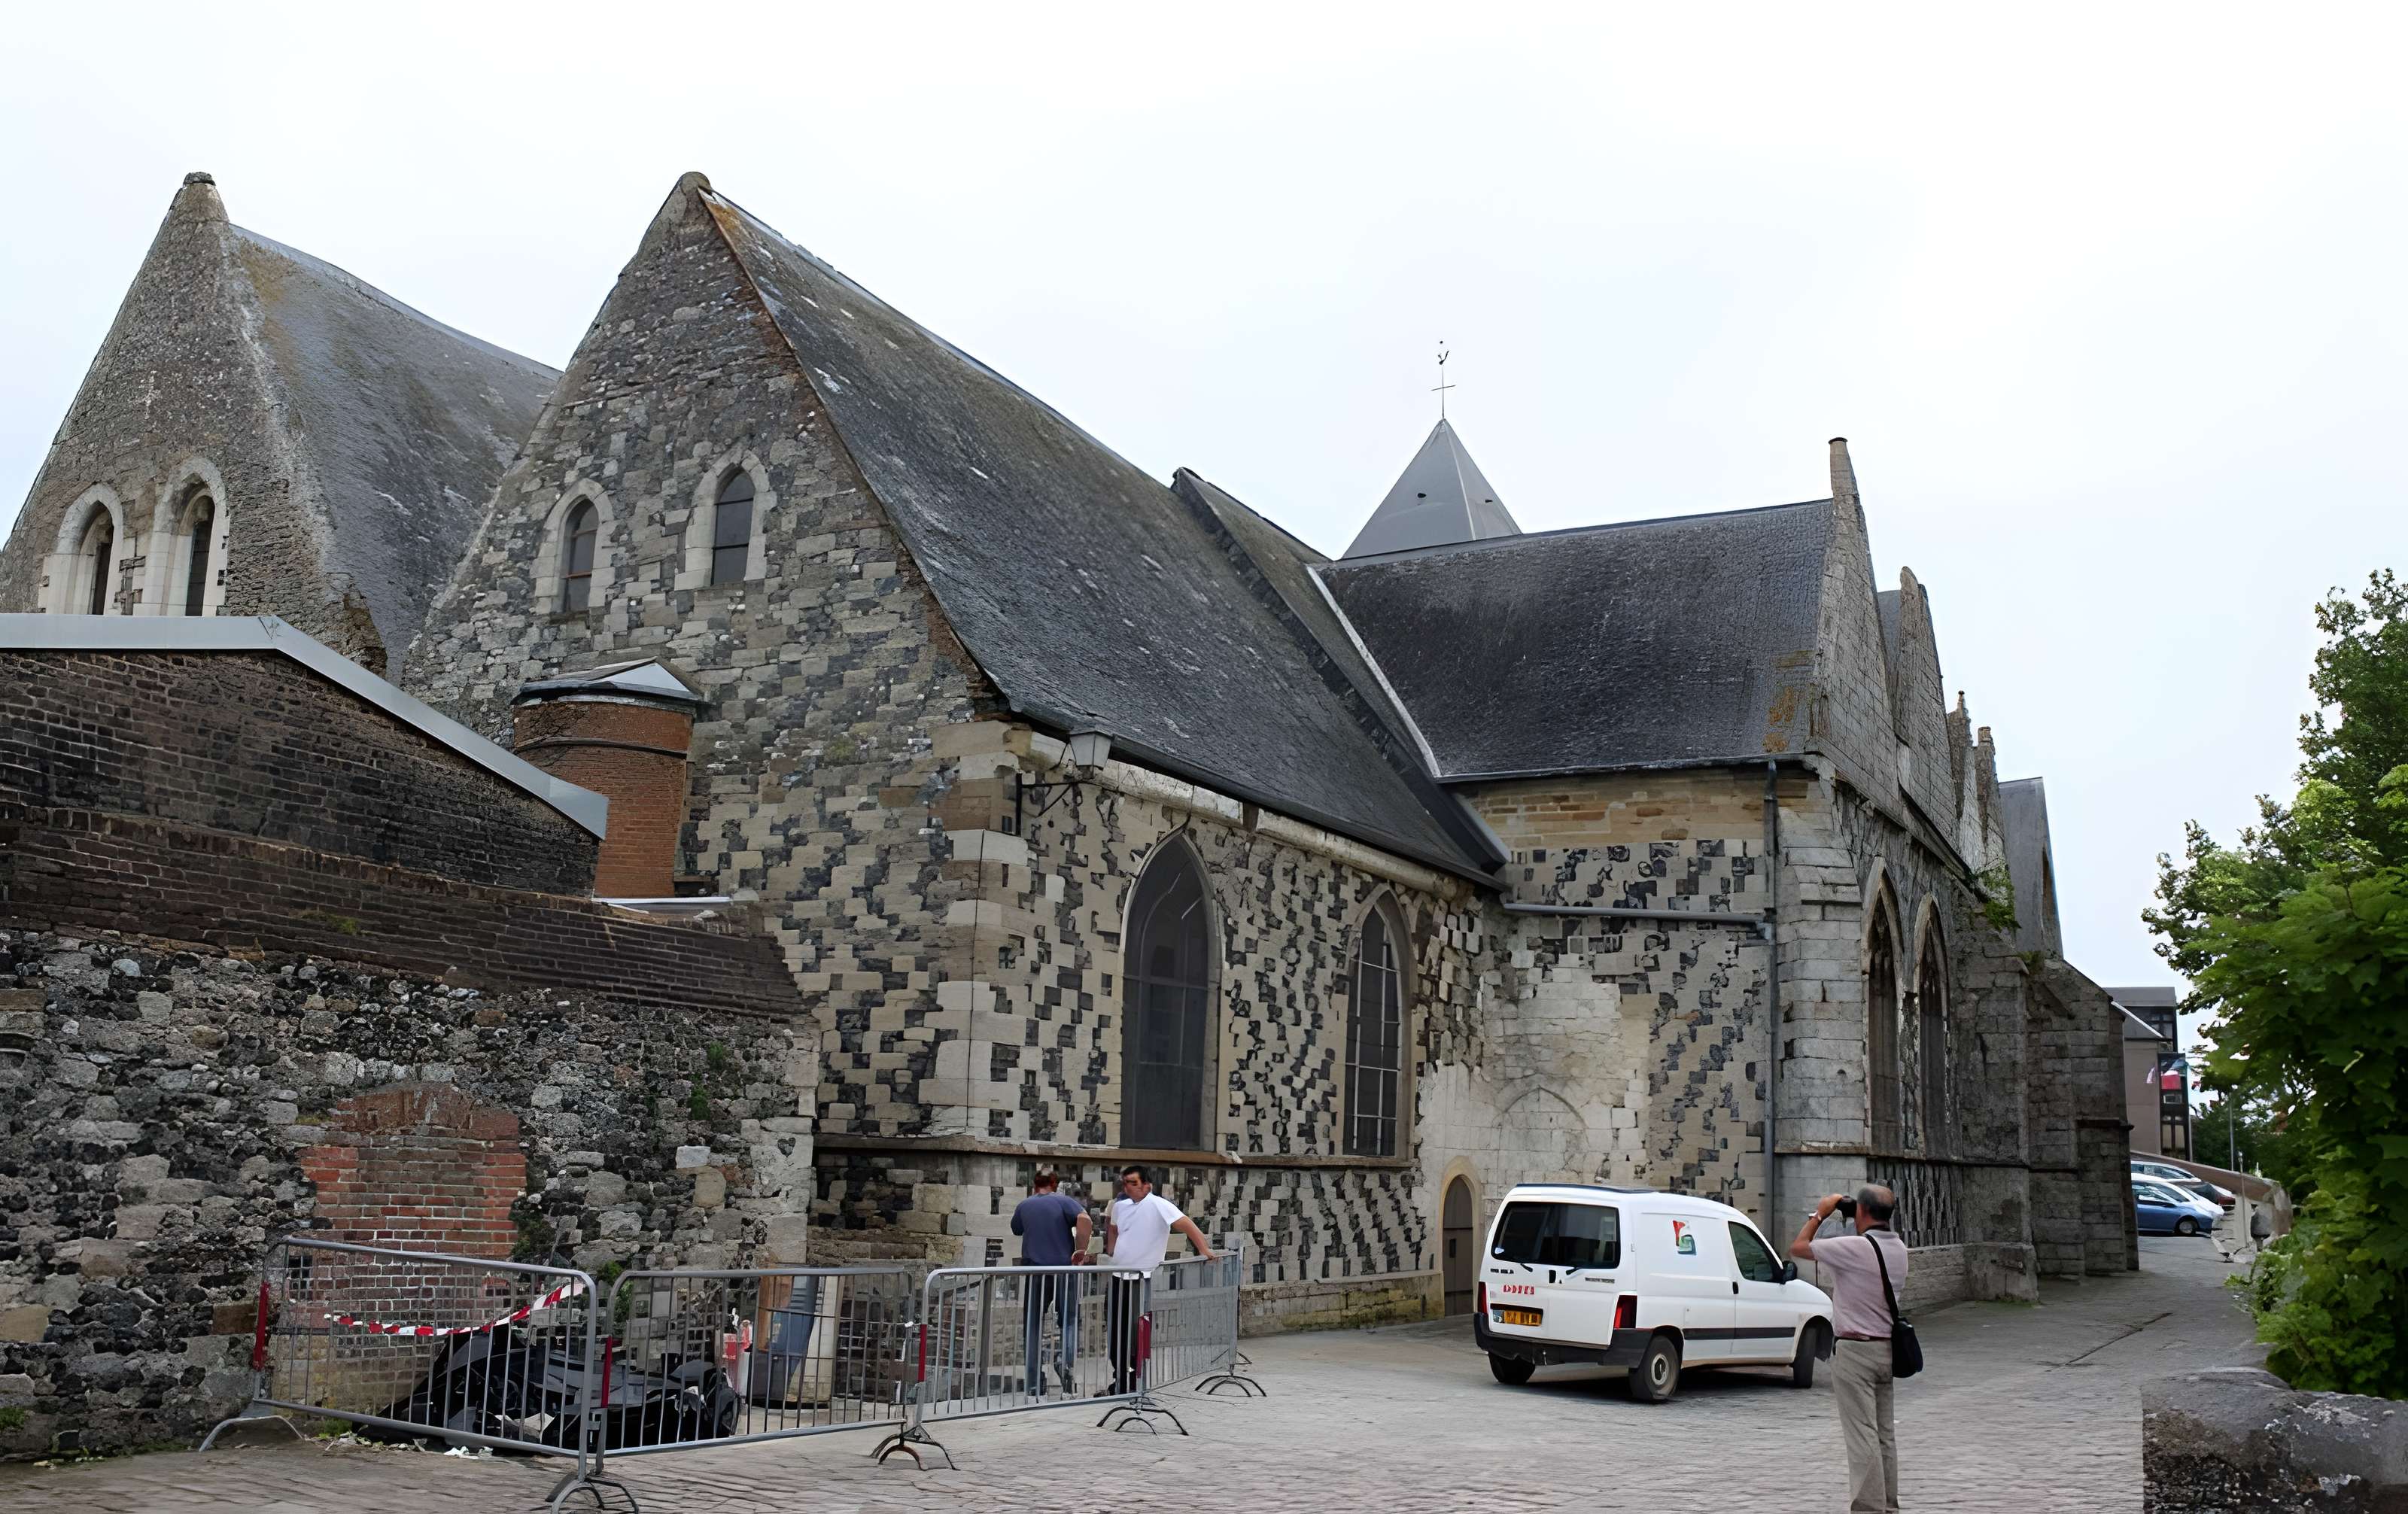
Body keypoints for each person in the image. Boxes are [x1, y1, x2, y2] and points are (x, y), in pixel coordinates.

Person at [1790, 1184, 1910, 1514]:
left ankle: (1868, 1509)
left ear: (1861, 1211)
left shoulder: (1854, 1248)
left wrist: (1821, 1213)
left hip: (1856, 1353)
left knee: (1862, 1436)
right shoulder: (1899, 1249)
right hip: (1887, 1351)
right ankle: (1888, 1506)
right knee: (1885, 1435)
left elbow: (1799, 1247)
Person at [1101, 1165, 1216, 1394]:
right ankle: (1119, 1379)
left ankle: (1134, 1381)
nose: (1128, 1187)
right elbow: (1113, 1228)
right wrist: (1112, 1249)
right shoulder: (1120, 1207)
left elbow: (1187, 1225)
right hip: (1118, 1277)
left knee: (1135, 1332)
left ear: (1147, 1186)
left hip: (1140, 1280)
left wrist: (1205, 1250)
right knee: (1115, 1330)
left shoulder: (1159, 1205)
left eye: (1133, 1183)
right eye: (1126, 1183)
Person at [1009, 1168, 1093, 1397]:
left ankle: (1035, 1382)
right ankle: (1065, 1370)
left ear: (1035, 1185)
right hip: (1064, 1270)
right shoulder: (1064, 1201)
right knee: (1068, 1321)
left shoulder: (1024, 1205)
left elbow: (1017, 1229)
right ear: (1055, 1184)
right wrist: (1081, 1250)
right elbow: (1085, 1220)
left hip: (1036, 1270)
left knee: (1033, 1324)